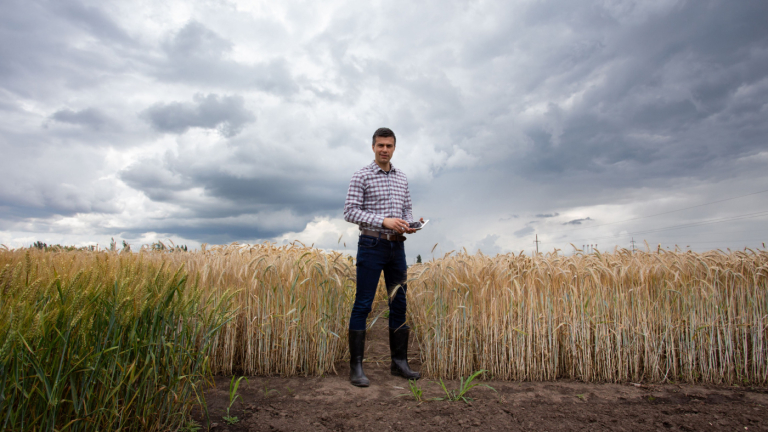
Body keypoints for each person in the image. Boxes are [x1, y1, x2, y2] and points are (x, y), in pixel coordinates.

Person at [343, 127, 424, 387]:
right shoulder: (361, 175)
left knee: (399, 304)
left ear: (394, 147)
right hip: (371, 243)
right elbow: (350, 212)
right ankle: (356, 367)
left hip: (396, 247)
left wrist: (411, 224)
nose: (384, 150)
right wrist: (384, 221)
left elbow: (407, 209)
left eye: (389, 146)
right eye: (380, 145)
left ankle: (399, 363)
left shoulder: (402, 177)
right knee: (363, 304)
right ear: (373, 147)